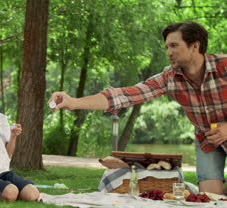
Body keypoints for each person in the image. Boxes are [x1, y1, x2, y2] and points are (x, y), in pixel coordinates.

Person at [48, 21, 227, 195]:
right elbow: (124, 95)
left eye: (174, 46)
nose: (169, 52)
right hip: (208, 141)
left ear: (195, 46)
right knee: (211, 199)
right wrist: (74, 102)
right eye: (167, 47)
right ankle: (193, 190)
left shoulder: (223, 66)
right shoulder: (170, 78)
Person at [0, 71, 40, 201]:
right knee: (11, 193)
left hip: (4, 172)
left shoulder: (2, 119)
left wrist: (13, 136)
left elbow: (8, 154)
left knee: (32, 194)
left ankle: (2, 194)